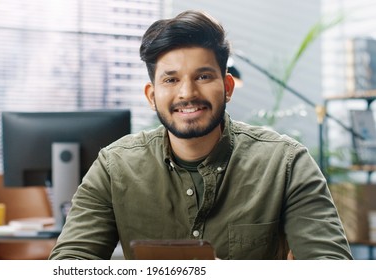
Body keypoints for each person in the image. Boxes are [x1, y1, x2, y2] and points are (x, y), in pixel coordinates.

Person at [48, 10, 353, 260]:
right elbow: (69, 264)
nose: (187, 93)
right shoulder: (114, 167)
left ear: (228, 87)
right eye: (171, 79)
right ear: (152, 96)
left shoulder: (286, 164)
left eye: (203, 76)